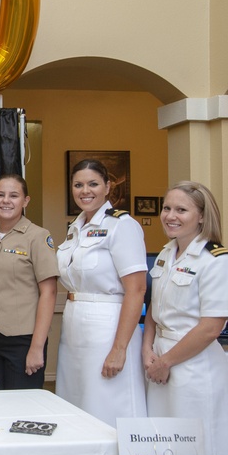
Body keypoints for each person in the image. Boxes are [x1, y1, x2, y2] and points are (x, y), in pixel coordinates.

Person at [143, 181, 228, 455]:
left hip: (195, 372)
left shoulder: (216, 261)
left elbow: (210, 327)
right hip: (161, 368)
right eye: (167, 208)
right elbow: (153, 313)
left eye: (181, 210)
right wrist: (148, 351)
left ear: (201, 216)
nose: (170, 217)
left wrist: (165, 361)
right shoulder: (164, 255)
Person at [56, 158, 148, 424]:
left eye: (93, 184)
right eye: (78, 185)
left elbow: (137, 289)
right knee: (77, 402)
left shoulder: (122, 225)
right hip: (74, 327)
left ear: (108, 187)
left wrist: (119, 349)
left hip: (108, 328)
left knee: (105, 402)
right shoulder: (76, 228)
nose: (85, 191)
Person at [0, 175, 58, 389]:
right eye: (0, 195)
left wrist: (37, 347)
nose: (6, 201)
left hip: (23, 339)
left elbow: (49, 293)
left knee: (22, 406)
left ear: (25, 201)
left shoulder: (37, 236)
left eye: (14, 195)